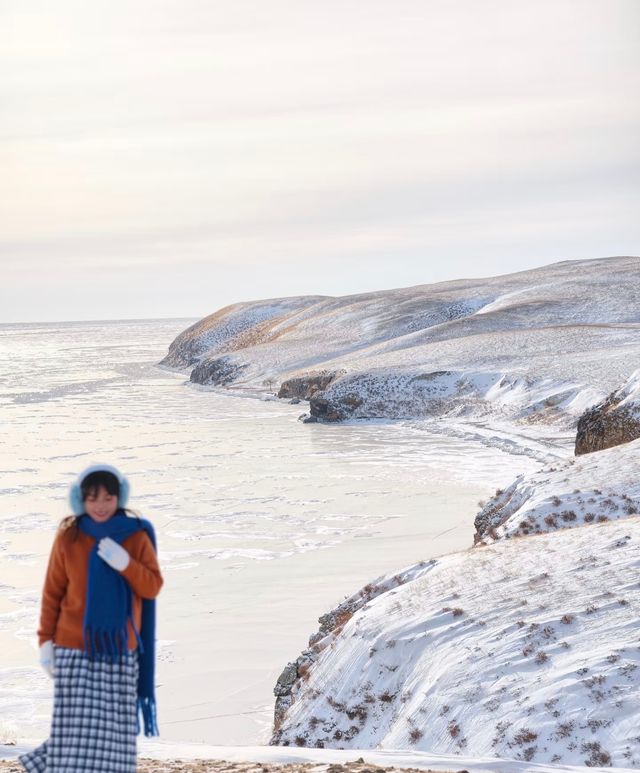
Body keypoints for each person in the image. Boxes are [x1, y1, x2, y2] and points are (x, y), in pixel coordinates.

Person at [19, 464, 164, 773]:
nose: (100, 506)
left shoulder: (136, 536)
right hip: (72, 647)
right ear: (80, 499)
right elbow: (53, 593)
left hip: (119, 650)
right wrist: (45, 643)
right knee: (72, 734)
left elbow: (151, 586)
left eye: (108, 498)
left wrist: (125, 563)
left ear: (119, 498)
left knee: (115, 735)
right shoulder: (69, 536)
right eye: (92, 498)